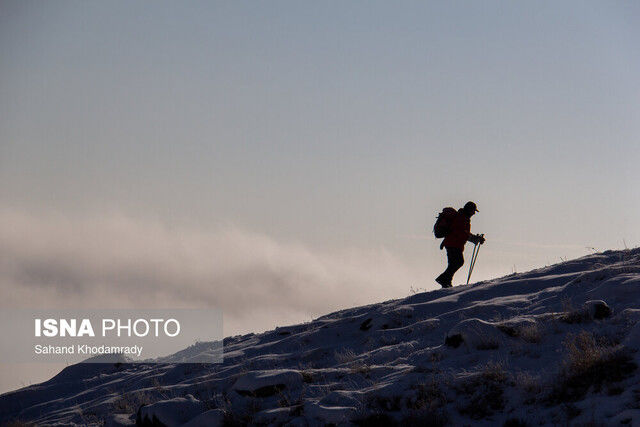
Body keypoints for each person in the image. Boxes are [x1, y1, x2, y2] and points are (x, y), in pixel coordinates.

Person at [435, 201, 485, 288]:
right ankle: (443, 279)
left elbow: (462, 232)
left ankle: (446, 283)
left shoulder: (462, 217)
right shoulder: (462, 218)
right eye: (473, 211)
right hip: (453, 244)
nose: (474, 213)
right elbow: (461, 232)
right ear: (469, 210)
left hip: (453, 244)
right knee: (458, 262)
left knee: (454, 263)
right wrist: (475, 239)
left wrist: (474, 238)